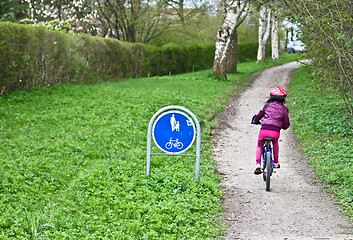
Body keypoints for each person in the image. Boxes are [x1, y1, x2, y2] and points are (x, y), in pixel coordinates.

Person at [253, 87, 290, 175]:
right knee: (275, 143)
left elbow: (259, 115)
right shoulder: (284, 109)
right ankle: (276, 162)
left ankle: (258, 164)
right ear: (284, 99)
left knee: (259, 145)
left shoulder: (267, 105)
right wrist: (283, 127)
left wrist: (256, 120)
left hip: (264, 130)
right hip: (275, 132)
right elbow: (286, 124)